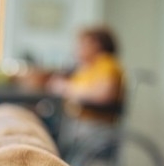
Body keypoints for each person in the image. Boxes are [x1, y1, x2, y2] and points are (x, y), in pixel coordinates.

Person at [48, 26, 125, 157]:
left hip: (95, 129)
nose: (77, 49)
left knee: (48, 133)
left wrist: (68, 88)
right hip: (79, 125)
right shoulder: (87, 68)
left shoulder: (107, 63)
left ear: (96, 44)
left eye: (82, 44)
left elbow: (103, 95)